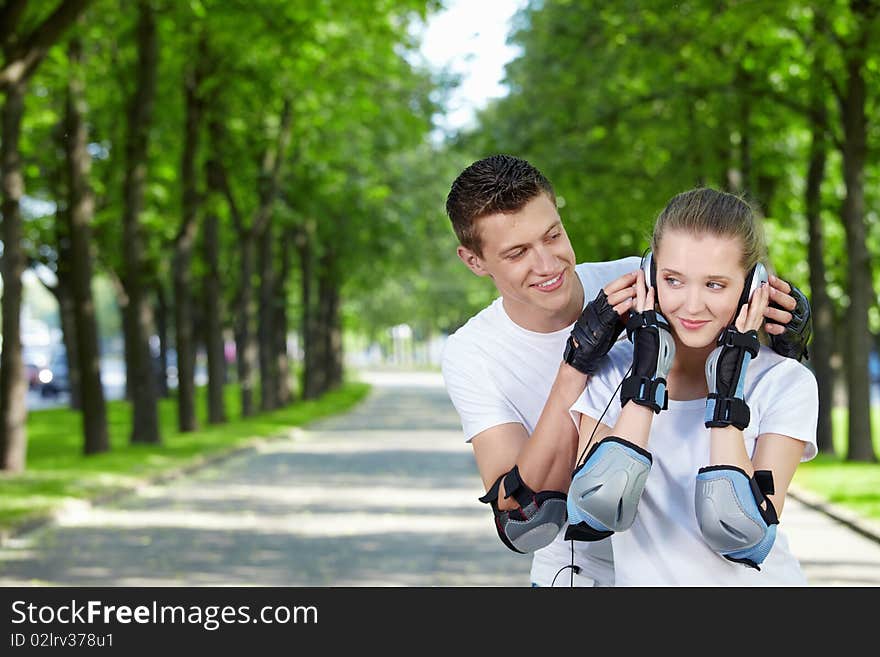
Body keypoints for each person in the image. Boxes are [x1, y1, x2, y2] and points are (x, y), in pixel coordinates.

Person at [440, 154, 813, 587]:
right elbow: (524, 520)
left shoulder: (645, 282)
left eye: (553, 235)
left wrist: (788, 330)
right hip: (580, 569)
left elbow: (720, 277)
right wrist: (577, 364)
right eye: (518, 253)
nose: (547, 264)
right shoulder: (473, 352)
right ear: (474, 261)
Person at [566, 187, 817, 585]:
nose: (692, 304)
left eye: (715, 285)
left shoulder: (784, 382)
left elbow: (741, 534)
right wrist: (647, 376)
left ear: (753, 288)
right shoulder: (613, 372)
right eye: (673, 280)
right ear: (650, 276)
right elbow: (597, 509)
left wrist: (728, 388)